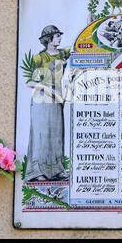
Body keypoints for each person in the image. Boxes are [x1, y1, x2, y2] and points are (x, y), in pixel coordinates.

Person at [25, 25, 71, 182]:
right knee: (41, 134)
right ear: (49, 39)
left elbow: (79, 45)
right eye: (57, 36)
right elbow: (29, 82)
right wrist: (48, 89)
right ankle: (37, 171)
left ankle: (57, 170)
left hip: (57, 100)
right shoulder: (39, 58)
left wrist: (88, 24)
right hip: (41, 100)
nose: (59, 38)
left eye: (59, 35)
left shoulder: (63, 53)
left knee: (56, 134)